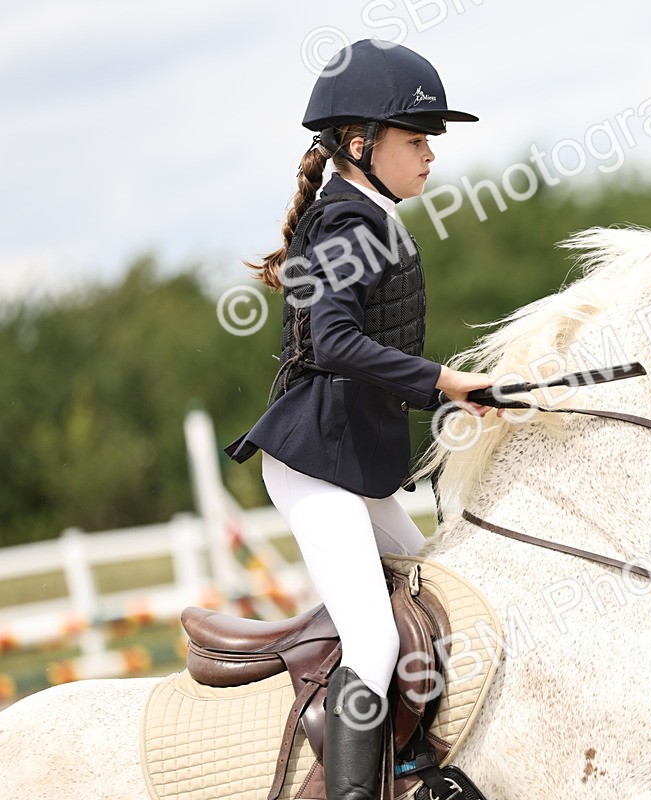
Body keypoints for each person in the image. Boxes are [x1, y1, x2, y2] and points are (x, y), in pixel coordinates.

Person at [222, 39, 492, 800]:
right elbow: (336, 342)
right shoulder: (343, 223)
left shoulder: (371, 215)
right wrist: (444, 381)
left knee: (442, 593)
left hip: (355, 464)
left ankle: (411, 767)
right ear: (358, 143)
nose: (430, 154)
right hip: (315, 466)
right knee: (373, 645)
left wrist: (461, 394)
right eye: (416, 139)